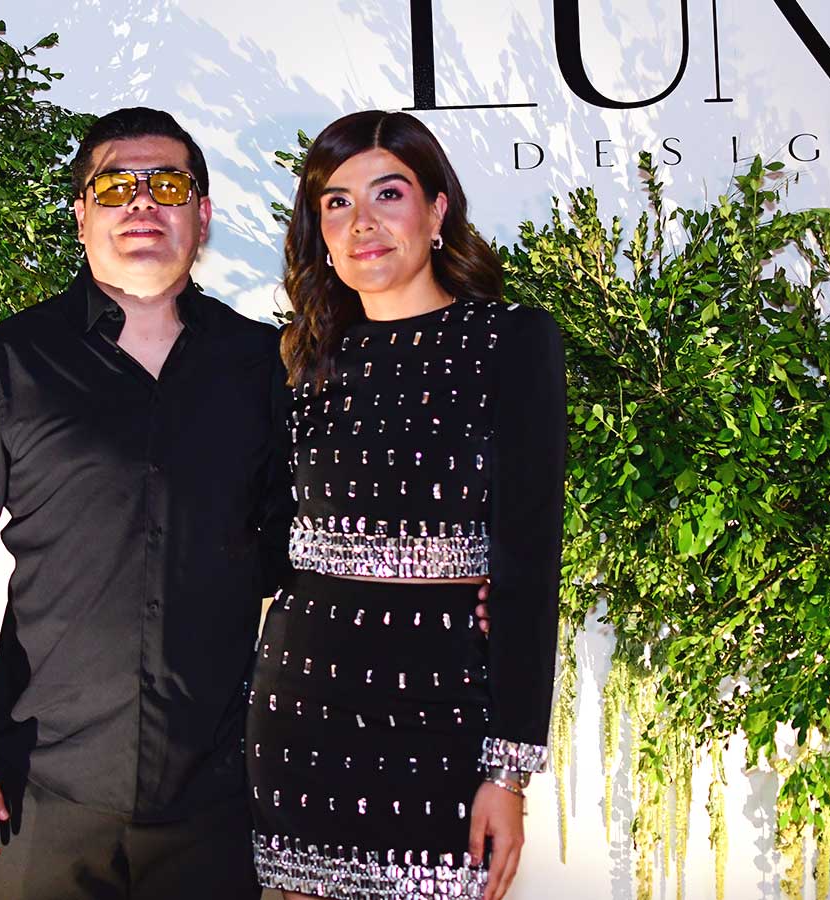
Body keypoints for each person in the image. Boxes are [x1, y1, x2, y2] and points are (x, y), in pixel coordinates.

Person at [0, 107, 293, 900]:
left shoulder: (264, 365)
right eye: (115, 186)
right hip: (41, 796)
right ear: (81, 215)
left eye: (167, 184)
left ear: (202, 214)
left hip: (219, 800)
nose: (141, 201)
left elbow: (295, 554)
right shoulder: (9, 363)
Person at [246, 110, 566, 900]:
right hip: (302, 709)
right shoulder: (296, 358)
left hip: (446, 716)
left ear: (437, 209)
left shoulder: (512, 340)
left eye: (388, 194)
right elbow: (263, 542)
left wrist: (508, 772)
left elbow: (529, 567)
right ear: (319, 231)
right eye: (337, 202)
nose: (363, 223)